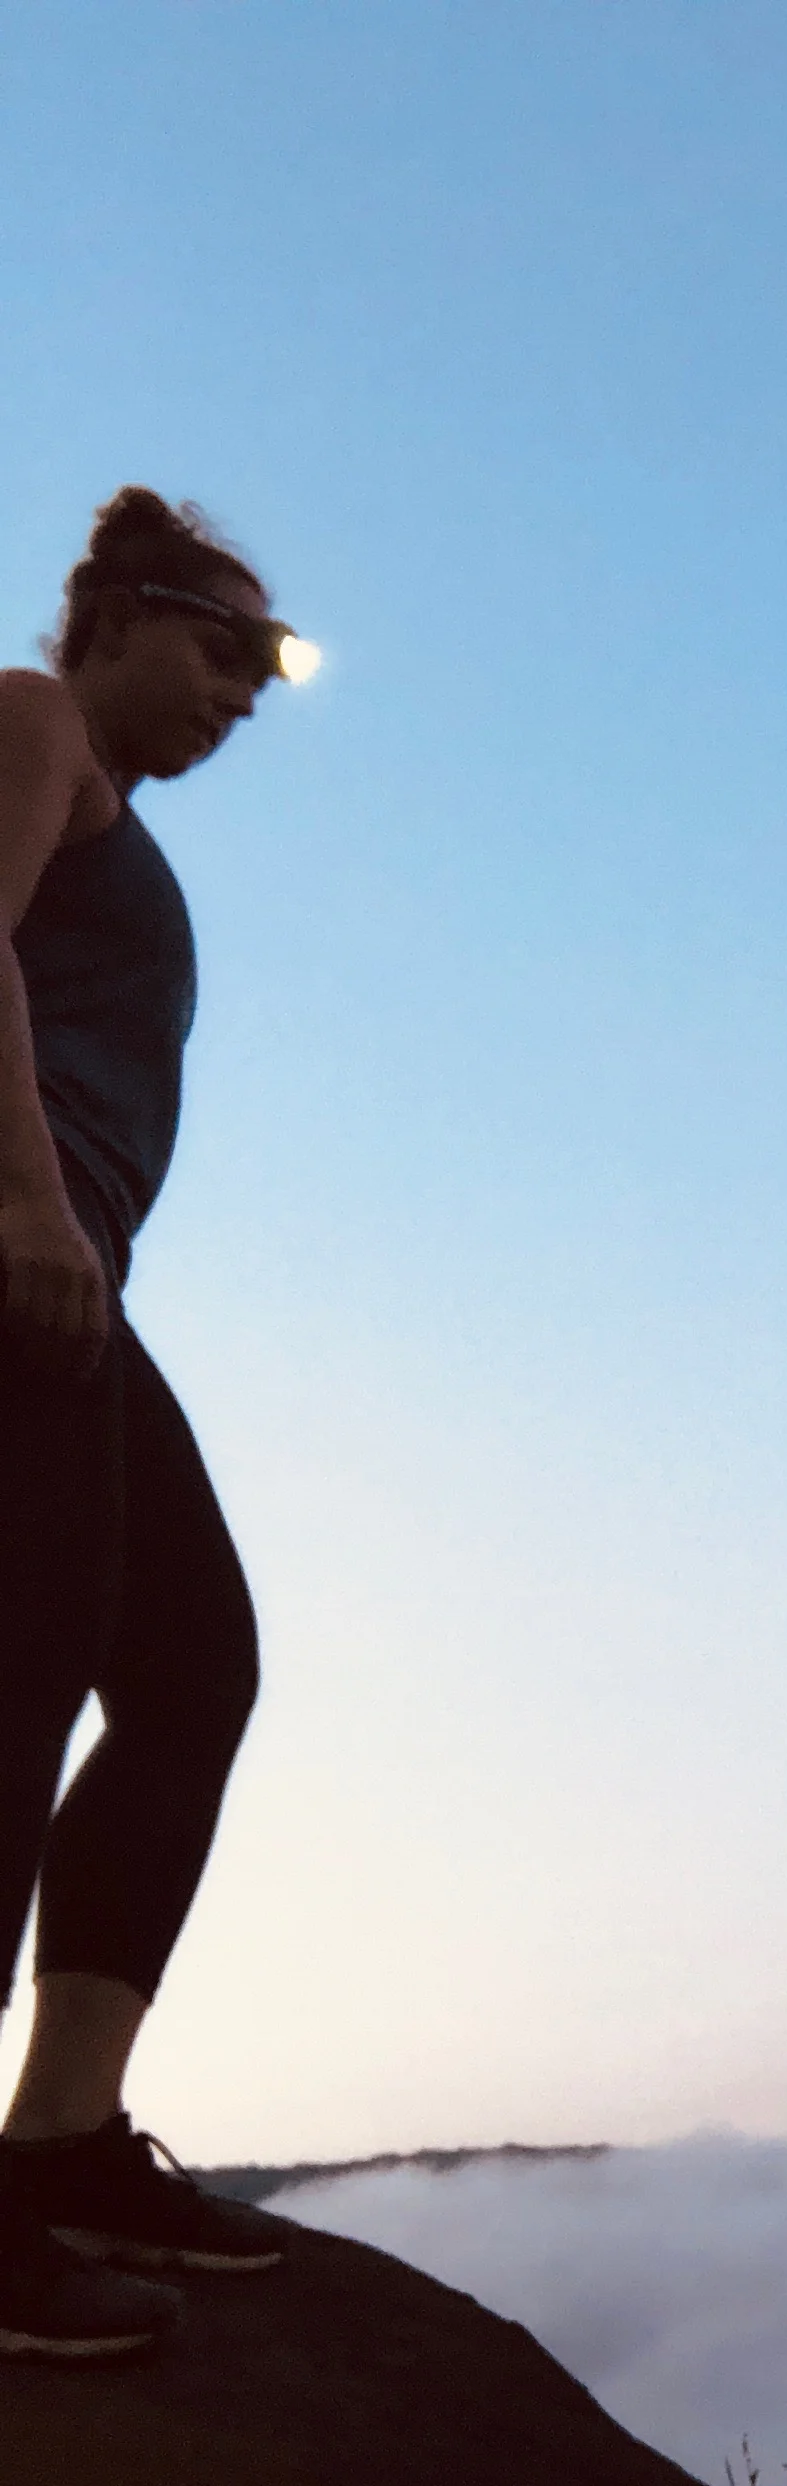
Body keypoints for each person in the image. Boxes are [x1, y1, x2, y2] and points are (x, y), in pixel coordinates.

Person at [0, 489, 316, 2360]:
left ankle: (59, 2140)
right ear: (113, 616)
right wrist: (24, 1204)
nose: (239, 699)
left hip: (75, 1284)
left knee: (190, 1669)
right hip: (17, 1249)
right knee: (20, 1673)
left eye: (261, 681)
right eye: (221, 651)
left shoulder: (108, 803)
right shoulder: (29, 717)